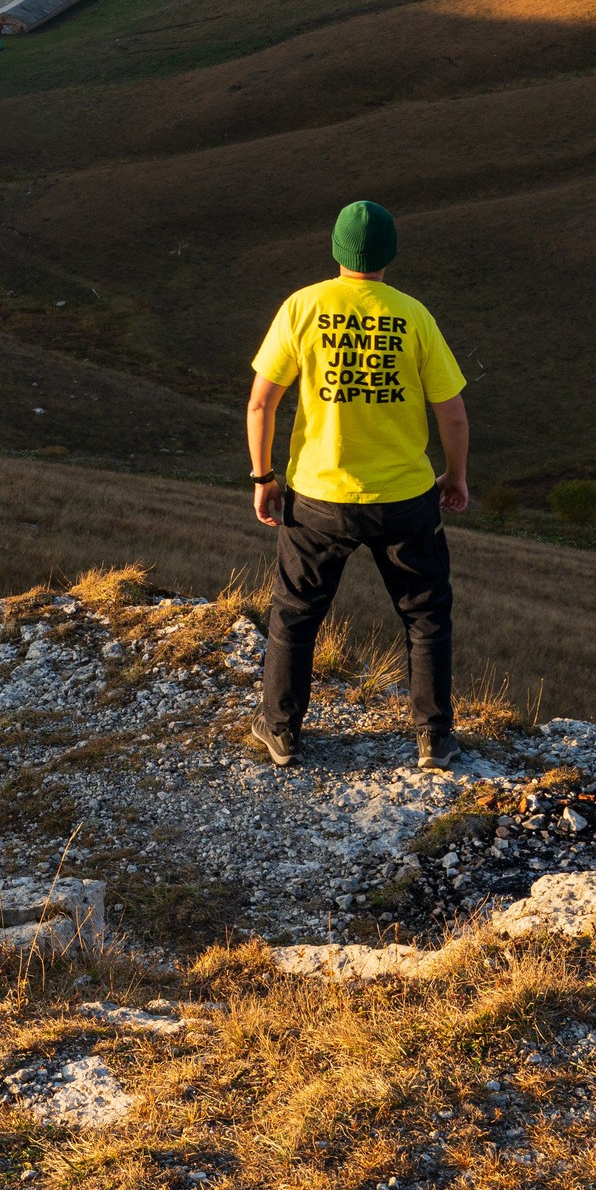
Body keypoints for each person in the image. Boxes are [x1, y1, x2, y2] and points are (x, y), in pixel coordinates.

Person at [245, 198, 469, 774]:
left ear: (337, 250)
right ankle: (434, 740)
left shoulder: (303, 305)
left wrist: (264, 477)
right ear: (390, 253)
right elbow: (454, 415)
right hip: (404, 497)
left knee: (295, 614)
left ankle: (281, 730)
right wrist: (455, 475)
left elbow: (261, 402)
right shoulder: (414, 315)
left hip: (319, 497)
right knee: (426, 615)